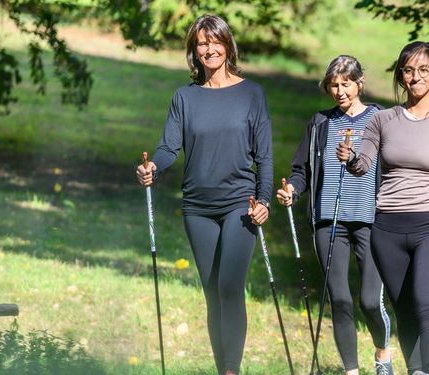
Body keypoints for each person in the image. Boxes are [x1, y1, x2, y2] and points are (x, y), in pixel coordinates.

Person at [135, 15, 272, 375]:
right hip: (197, 207)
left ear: (228, 45)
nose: (209, 49)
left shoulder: (251, 94)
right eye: (201, 43)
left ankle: (232, 370)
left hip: (240, 205)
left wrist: (265, 201)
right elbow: (168, 147)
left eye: (215, 42)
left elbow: (265, 156)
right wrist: (155, 168)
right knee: (212, 291)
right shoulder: (185, 97)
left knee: (230, 285)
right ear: (194, 51)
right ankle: (221, 367)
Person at [336, 41, 429, 375]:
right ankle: (415, 369)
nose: (416, 77)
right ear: (400, 76)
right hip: (388, 229)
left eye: (424, 70)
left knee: (428, 305)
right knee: (404, 310)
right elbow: (364, 164)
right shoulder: (383, 120)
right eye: (409, 70)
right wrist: (352, 158)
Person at [276, 55, 393, 375]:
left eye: (346, 84)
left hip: (372, 221)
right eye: (333, 85)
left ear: (360, 83)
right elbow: (301, 170)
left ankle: (383, 354)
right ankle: (351, 370)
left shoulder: (380, 118)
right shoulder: (319, 123)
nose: (339, 91)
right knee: (339, 298)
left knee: (370, 301)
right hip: (329, 221)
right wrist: (293, 190)